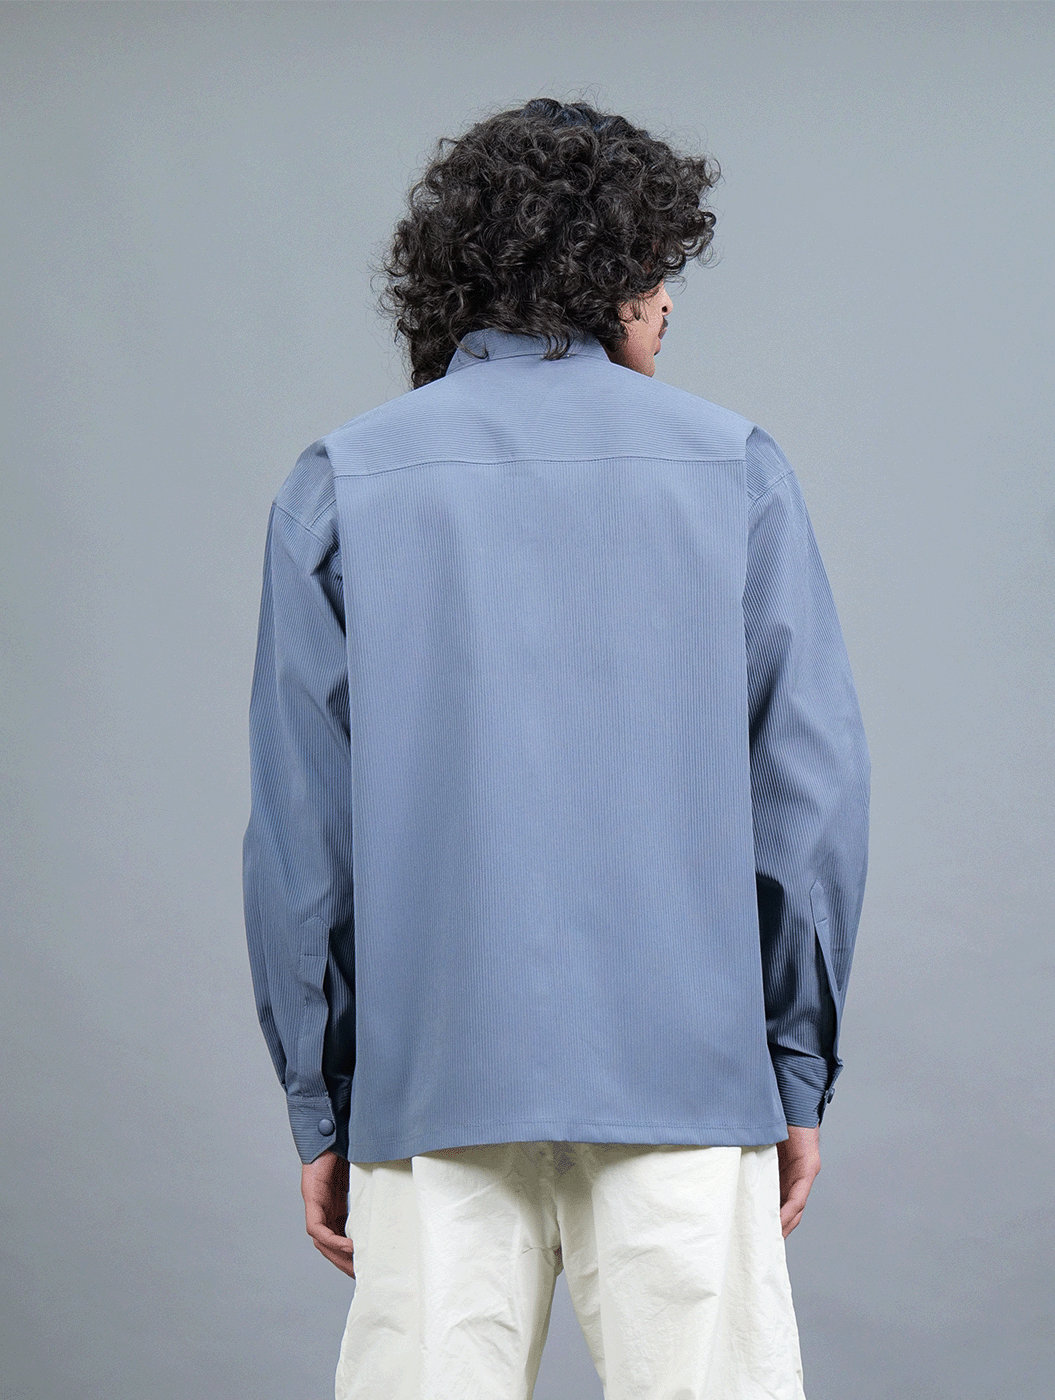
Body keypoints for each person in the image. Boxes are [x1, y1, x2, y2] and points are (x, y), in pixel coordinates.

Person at [242, 97, 870, 1400]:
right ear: (610, 273)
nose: (669, 304)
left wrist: (322, 1096)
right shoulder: (733, 467)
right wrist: (794, 1069)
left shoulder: (345, 479)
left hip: (433, 1086)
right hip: (688, 1081)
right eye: (659, 271)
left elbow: (303, 846)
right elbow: (807, 806)